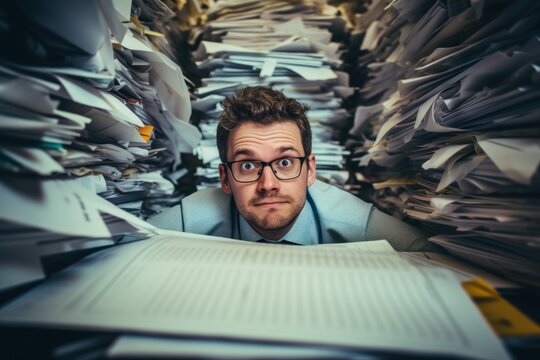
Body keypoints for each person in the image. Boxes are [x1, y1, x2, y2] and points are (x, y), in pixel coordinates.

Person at [149, 86, 438, 251]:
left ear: (310, 170)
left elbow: (432, 261)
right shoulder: (194, 218)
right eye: (248, 165)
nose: (268, 184)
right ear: (225, 178)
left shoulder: (355, 223)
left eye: (285, 162)